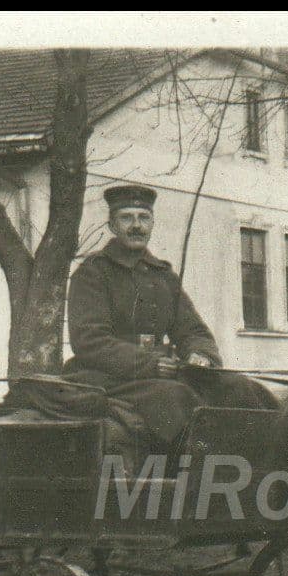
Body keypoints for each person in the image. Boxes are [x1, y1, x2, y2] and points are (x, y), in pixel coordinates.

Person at [63, 183, 224, 452]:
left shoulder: (163, 276)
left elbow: (192, 329)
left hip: (156, 377)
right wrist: (150, 364)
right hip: (107, 378)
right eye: (126, 218)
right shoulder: (93, 273)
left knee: (239, 389)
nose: (136, 226)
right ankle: (189, 482)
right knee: (176, 398)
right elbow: (90, 341)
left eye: (143, 218)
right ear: (112, 225)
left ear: (152, 223)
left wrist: (201, 356)